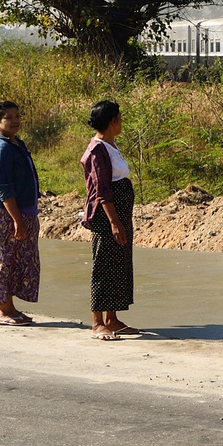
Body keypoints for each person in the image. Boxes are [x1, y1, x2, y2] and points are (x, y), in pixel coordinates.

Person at [81, 100, 137, 340]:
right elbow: (102, 191)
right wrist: (114, 222)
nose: (121, 121)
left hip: (120, 213)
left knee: (118, 265)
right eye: (120, 117)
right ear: (113, 121)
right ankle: (97, 323)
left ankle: (112, 319)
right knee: (103, 266)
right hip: (107, 217)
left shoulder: (110, 146)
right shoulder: (97, 151)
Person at [0, 100, 41, 325]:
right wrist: (17, 220)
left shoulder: (16, 143)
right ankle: (4, 311)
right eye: (9, 117)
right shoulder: (1, 148)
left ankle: (11, 308)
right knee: (3, 261)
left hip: (23, 211)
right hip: (5, 214)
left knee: (19, 261)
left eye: (17, 115)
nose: (15, 120)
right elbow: (3, 187)